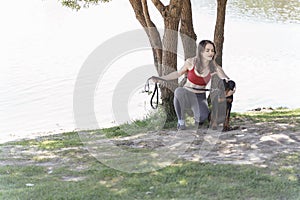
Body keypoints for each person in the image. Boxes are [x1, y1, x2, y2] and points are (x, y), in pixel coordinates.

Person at [152, 40, 235, 130]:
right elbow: (177, 73)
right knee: (178, 91)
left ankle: (195, 114)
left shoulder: (213, 66)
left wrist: (232, 89)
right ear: (201, 51)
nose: (211, 53)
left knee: (202, 117)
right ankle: (181, 121)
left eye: (212, 50)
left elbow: (225, 78)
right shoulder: (191, 62)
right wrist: (161, 78)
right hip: (186, 93)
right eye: (207, 50)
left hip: (199, 97)